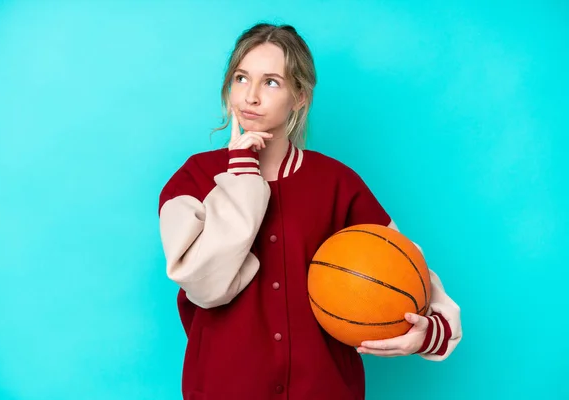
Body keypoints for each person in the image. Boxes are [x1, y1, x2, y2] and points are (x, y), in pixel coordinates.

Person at [158, 23, 462, 400]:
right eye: (241, 78)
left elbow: (403, 268)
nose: (250, 96)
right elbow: (206, 287)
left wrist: (430, 330)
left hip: (326, 389)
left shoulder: (337, 182)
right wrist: (241, 175)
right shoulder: (191, 180)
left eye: (271, 82)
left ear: (299, 96)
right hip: (224, 389)